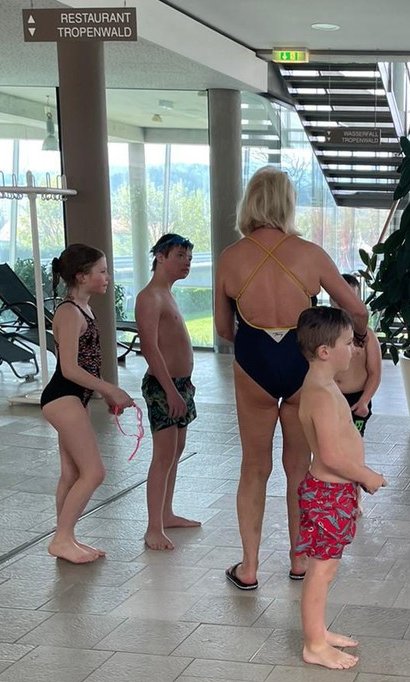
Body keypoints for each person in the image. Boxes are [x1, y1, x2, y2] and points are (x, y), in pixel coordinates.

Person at [215, 167, 368, 590]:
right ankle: (299, 559)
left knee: (254, 467)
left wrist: (257, 344)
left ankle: (248, 567)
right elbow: (357, 310)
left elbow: (223, 328)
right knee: (299, 467)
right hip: (302, 362)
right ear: (287, 204)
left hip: (254, 362)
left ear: (249, 203)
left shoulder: (231, 257)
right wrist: (356, 339)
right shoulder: (310, 254)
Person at [295, 307, 386, 669]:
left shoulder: (326, 385)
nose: (355, 349)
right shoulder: (319, 393)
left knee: (327, 568)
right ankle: (314, 644)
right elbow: (330, 455)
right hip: (327, 495)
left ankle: (318, 630)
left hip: (335, 493)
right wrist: (365, 475)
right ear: (325, 351)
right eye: (348, 343)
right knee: (322, 570)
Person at [40, 244, 135, 564]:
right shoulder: (69, 312)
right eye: (102, 271)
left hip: (73, 398)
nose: (108, 277)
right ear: (82, 276)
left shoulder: (84, 308)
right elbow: (69, 368)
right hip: (62, 397)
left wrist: (103, 393)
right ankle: (61, 539)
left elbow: (88, 363)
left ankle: (66, 537)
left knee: (71, 473)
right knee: (94, 472)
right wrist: (110, 388)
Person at [135, 233, 200, 551]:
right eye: (179, 256)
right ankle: (153, 528)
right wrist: (169, 390)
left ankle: (167, 513)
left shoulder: (167, 294)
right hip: (164, 386)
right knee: (163, 456)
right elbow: (149, 347)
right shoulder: (150, 297)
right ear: (160, 257)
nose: (186, 262)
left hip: (179, 385)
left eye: (189, 257)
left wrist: (183, 385)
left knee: (176, 451)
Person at [332, 274, 381, 439]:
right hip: (329, 397)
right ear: (331, 299)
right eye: (340, 299)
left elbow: (374, 373)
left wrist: (365, 400)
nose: (345, 305)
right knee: (326, 444)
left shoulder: (367, 336)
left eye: (351, 299)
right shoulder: (321, 334)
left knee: (353, 442)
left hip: (356, 399)